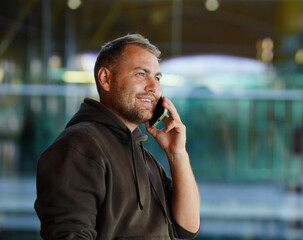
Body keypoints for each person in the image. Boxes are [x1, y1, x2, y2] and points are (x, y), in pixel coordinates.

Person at [34, 33, 200, 240]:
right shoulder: (78, 146)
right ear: (106, 79)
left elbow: (187, 227)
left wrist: (177, 155)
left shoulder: (142, 155)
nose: (154, 87)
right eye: (141, 74)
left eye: (157, 78)